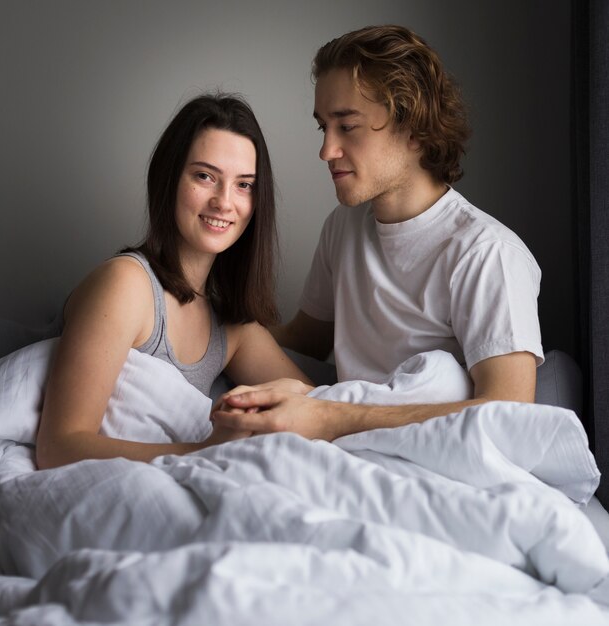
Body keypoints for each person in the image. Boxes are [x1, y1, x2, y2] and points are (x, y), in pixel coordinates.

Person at [211, 24, 543, 440]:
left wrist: (328, 417)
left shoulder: (486, 253)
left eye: (347, 127)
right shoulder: (343, 228)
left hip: (430, 457)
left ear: (414, 129)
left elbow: (510, 417)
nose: (326, 151)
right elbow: (305, 338)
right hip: (346, 446)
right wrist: (209, 329)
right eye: (323, 128)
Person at [36, 93, 312, 469]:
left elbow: (320, 409)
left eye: (244, 185)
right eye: (205, 176)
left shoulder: (232, 329)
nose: (224, 202)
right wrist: (209, 452)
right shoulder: (126, 285)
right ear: (168, 179)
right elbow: (58, 448)